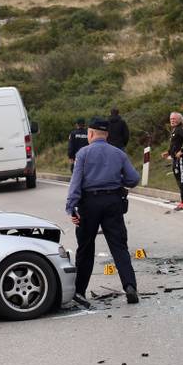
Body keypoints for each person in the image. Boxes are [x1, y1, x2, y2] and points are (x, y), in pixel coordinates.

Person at [65, 117, 141, 307]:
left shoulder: (83, 153)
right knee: (119, 247)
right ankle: (130, 287)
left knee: (85, 248)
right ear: (106, 135)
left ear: (90, 134)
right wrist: (117, 179)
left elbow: (76, 182)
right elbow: (133, 179)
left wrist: (71, 207)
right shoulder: (118, 154)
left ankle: (80, 291)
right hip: (113, 202)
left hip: (89, 204)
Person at [162, 112, 183, 211]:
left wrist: (181, 151)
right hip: (175, 158)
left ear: (179, 120)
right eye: (171, 119)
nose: (172, 120)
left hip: (181, 158)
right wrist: (168, 152)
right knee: (178, 178)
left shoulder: (181, 128)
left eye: (174, 119)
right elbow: (174, 144)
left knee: (182, 179)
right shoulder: (174, 130)